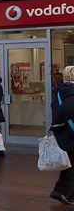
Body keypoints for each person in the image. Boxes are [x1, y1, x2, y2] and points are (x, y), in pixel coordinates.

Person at [50, 65, 74, 204]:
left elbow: (56, 108)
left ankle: (65, 192)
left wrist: (55, 123)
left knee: (70, 164)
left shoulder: (61, 90)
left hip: (65, 131)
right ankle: (63, 192)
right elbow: (67, 109)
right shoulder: (71, 91)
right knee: (71, 165)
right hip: (71, 132)